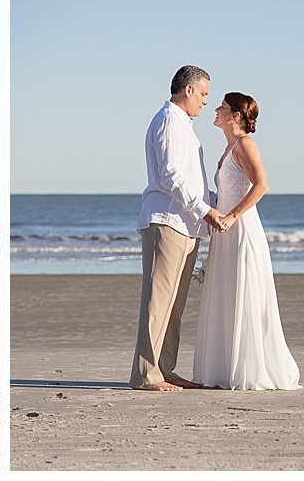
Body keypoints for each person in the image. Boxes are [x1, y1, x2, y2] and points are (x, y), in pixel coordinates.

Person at [191, 91, 301, 390]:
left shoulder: (245, 144)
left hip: (242, 230)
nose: (215, 109)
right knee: (227, 294)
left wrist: (232, 216)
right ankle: (224, 368)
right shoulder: (228, 149)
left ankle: (250, 369)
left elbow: (261, 185)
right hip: (225, 232)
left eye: (222, 107)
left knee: (244, 293)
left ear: (236, 116)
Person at [129, 65, 225, 391]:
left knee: (174, 305)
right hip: (167, 221)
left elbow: (192, 179)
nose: (205, 102)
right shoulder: (169, 120)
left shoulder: (185, 125)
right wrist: (204, 209)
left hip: (187, 225)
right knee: (158, 302)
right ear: (188, 90)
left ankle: (165, 369)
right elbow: (171, 176)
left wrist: (218, 204)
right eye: (203, 94)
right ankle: (145, 375)